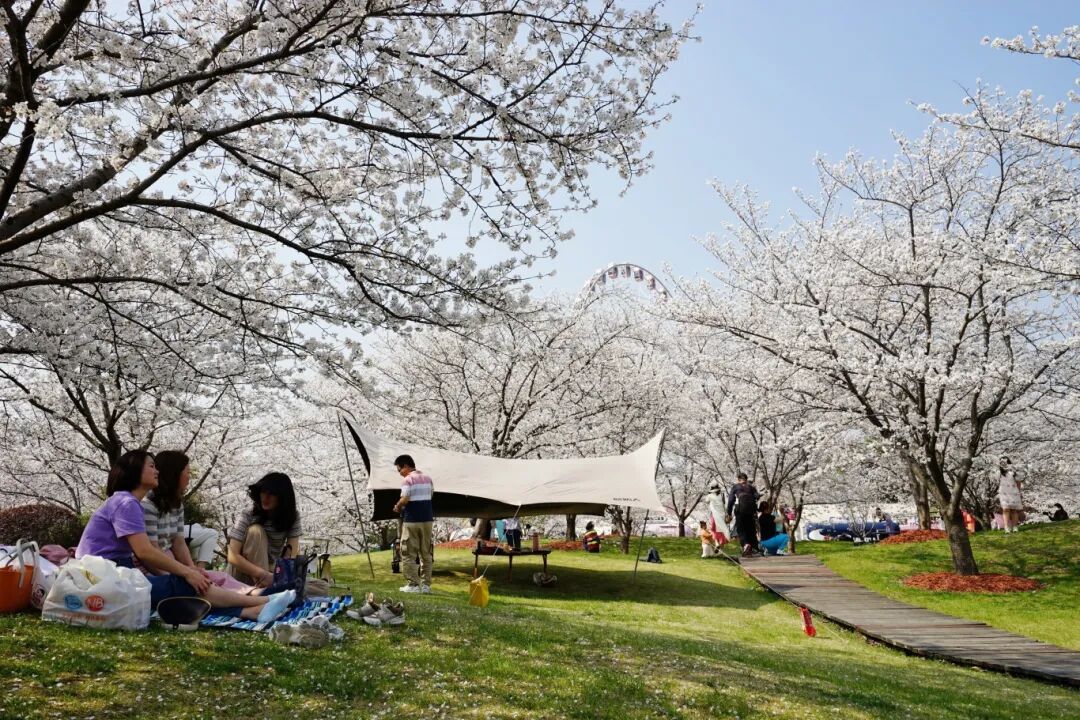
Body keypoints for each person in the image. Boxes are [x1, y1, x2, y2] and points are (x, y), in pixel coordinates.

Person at [76, 450, 294, 622]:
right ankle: (263, 602)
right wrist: (188, 572)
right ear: (134, 471)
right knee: (185, 585)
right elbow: (145, 552)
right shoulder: (126, 503)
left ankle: (253, 610)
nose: (157, 471)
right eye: (151, 466)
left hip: (115, 573)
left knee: (186, 588)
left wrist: (190, 571)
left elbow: (173, 543)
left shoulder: (127, 502)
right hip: (102, 576)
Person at [142, 451, 251, 592]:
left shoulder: (176, 505)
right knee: (205, 586)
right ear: (174, 474)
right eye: (187, 472)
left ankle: (253, 592)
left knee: (218, 577)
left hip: (171, 562)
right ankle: (251, 597)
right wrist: (179, 577)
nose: (189, 477)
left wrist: (193, 569)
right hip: (156, 567)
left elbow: (179, 542)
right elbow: (152, 552)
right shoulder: (148, 506)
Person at [226, 472, 303, 587]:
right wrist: (263, 575)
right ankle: (265, 588)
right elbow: (232, 556)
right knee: (256, 531)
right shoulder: (248, 514)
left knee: (320, 586)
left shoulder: (292, 517)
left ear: (283, 497)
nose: (266, 497)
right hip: (245, 573)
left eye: (272, 493)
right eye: (263, 491)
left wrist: (280, 577)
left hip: (272, 572)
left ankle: (270, 588)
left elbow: (290, 555)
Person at [392, 454, 434, 594]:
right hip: (427, 520)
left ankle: (413, 585)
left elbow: (405, 499)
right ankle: (426, 586)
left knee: (408, 553)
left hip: (412, 520)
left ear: (405, 466)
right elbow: (431, 495)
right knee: (426, 553)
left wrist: (398, 506)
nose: (400, 473)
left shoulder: (407, 480)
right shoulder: (428, 478)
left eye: (399, 470)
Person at [725, 471, 760, 556]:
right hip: (751, 512)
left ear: (738, 479)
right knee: (751, 529)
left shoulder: (735, 487)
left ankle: (745, 545)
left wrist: (729, 512)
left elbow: (730, 500)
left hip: (740, 511)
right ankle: (754, 548)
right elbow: (757, 496)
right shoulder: (751, 487)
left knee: (741, 529)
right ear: (746, 480)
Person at [997, 457, 1024, 534]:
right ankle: (1006, 527)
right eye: (1002, 463)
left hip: (1013, 492)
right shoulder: (999, 472)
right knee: (1005, 509)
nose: (1004, 464)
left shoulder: (1014, 472)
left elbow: (1018, 482)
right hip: (1004, 493)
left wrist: (1018, 492)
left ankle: (1015, 527)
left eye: (1006, 462)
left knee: (1013, 510)